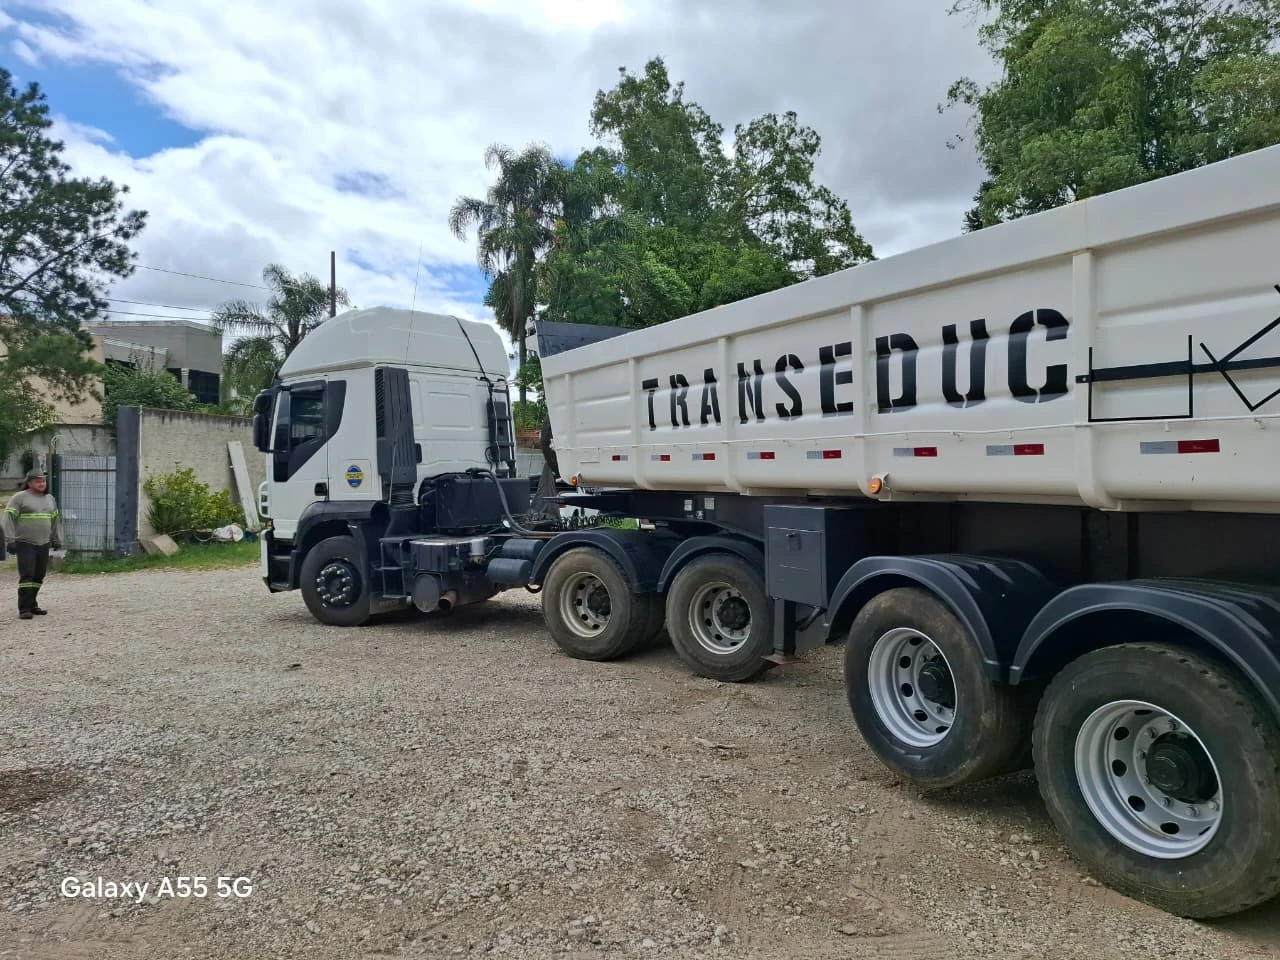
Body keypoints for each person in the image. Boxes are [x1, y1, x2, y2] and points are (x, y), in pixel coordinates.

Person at [2, 468, 62, 619]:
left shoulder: (50, 499)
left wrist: (57, 539)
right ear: (29, 483)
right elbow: (7, 518)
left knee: (38, 575)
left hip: (43, 543)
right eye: (37, 481)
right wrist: (10, 540)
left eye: (43, 481)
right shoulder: (19, 498)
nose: (41, 483)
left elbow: (55, 521)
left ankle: (32, 604)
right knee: (27, 575)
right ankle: (24, 608)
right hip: (24, 542)